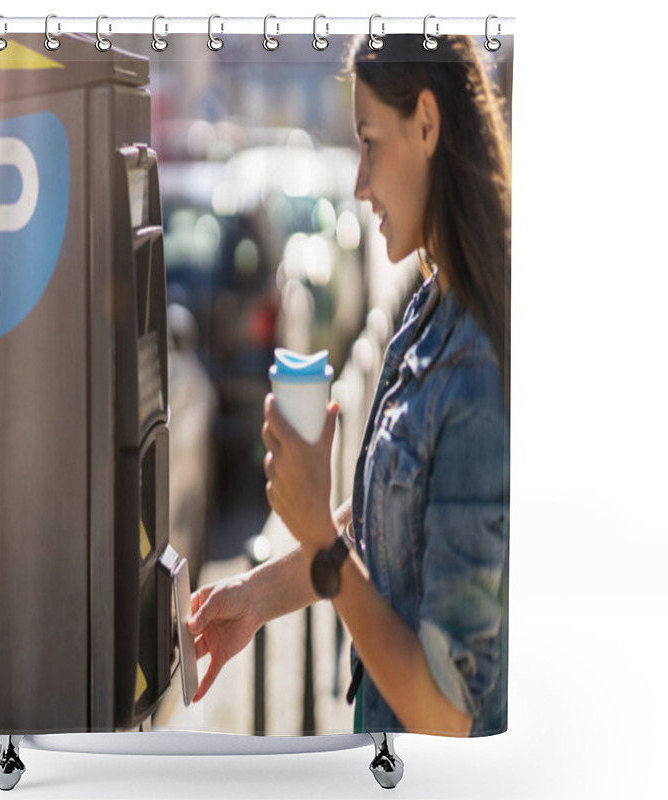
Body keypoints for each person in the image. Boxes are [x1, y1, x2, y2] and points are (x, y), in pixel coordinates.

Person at [188, 34, 511, 737]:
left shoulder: (481, 369)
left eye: (370, 143)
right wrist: (255, 598)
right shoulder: (430, 310)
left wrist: (318, 540)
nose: (359, 183)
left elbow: (448, 714)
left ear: (427, 124)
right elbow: (385, 529)